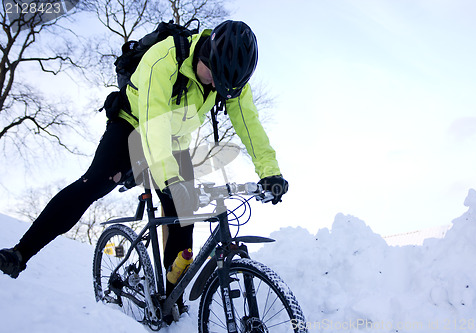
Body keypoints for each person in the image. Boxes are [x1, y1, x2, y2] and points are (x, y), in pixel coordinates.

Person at [0, 20, 288, 304]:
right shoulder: (163, 59)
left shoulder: (231, 82)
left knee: (183, 218)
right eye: (214, 77)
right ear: (205, 54)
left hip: (174, 141)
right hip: (133, 125)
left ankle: (171, 297)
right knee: (94, 184)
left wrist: (270, 173)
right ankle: (21, 252)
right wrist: (173, 182)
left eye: (227, 87)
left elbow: (250, 126)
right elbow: (154, 127)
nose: (218, 87)